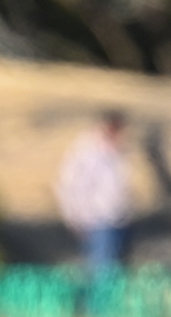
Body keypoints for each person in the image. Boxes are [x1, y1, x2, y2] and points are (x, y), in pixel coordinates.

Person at [56, 109, 134, 273]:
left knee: (116, 272)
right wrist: (76, 217)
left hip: (119, 221)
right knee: (101, 273)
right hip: (98, 222)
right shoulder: (88, 152)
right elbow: (72, 187)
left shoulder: (115, 151)